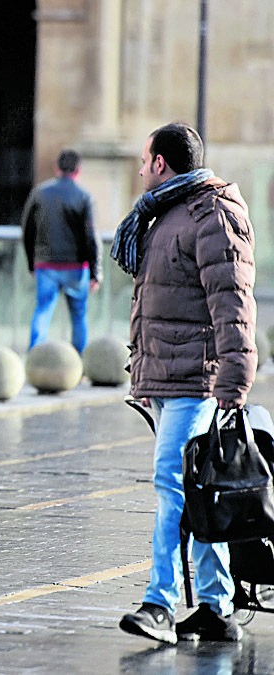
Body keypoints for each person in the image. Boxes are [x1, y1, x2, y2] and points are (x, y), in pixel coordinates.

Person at [112, 122, 256, 644]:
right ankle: (216, 608)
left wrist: (234, 387)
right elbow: (156, 302)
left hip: (199, 380)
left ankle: (160, 604)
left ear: (160, 164)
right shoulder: (164, 215)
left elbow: (234, 306)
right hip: (170, 377)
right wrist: (145, 373)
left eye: (144, 159)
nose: (140, 168)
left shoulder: (210, 213)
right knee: (200, 493)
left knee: (172, 485)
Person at [21, 149, 98, 353]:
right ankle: (78, 362)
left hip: (46, 264)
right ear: (78, 170)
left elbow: (27, 231)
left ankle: (34, 358)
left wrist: (32, 263)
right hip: (76, 266)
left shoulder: (39, 193)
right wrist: (95, 271)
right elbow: (90, 237)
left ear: (57, 168)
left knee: (42, 312)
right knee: (79, 316)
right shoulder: (84, 197)